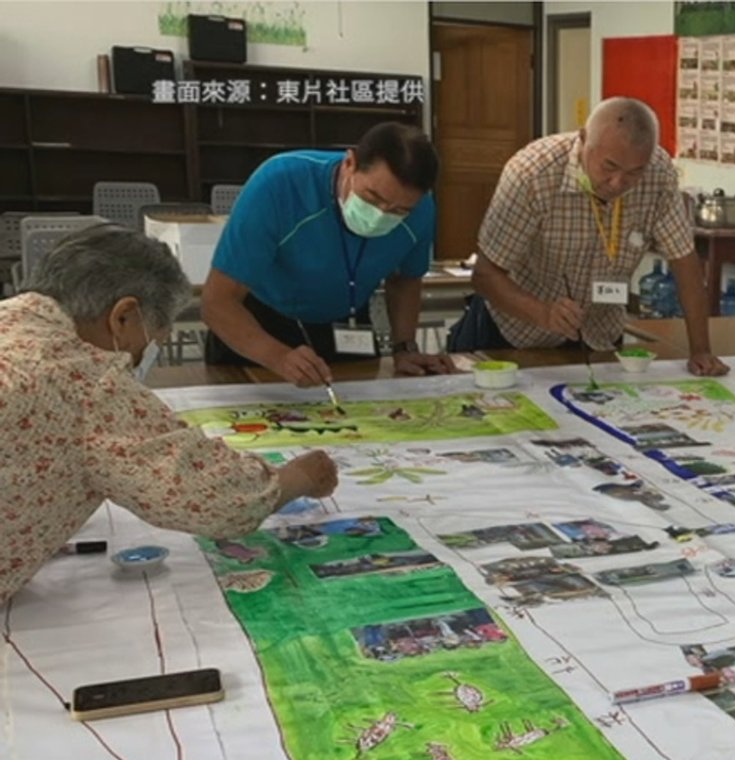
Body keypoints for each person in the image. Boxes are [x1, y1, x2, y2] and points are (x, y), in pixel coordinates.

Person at [0, 226, 339, 601]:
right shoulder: (85, 379)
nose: (143, 358)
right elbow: (214, 499)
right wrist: (297, 478)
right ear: (123, 317)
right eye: (154, 341)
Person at [459, 97, 727, 376]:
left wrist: (701, 350)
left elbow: (685, 262)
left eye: (634, 173)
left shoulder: (658, 174)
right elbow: (485, 274)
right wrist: (543, 313)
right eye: (609, 167)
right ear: (584, 139)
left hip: (599, 336)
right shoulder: (533, 173)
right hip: (517, 335)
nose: (618, 184)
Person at [202, 122, 456, 386]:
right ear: (350, 164)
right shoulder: (280, 184)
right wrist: (279, 357)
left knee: (358, 418)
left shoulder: (421, 210)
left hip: (348, 323)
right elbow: (217, 302)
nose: (381, 214)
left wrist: (404, 348)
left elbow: (405, 280)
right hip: (260, 327)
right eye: (372, 197)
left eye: (398, 211)